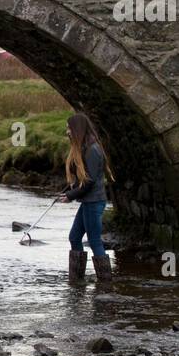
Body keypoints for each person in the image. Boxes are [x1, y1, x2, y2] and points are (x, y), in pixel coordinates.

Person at [60, 113, 114, 287]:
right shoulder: (85, 146)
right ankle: (76, 281)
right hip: (87, 201)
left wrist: (70, 196)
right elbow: (82, 179)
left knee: (94, 241)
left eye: (69, 127)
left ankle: (106, 283)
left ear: (76, 129)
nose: (67, 131)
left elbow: (89, 181)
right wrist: (68, 191)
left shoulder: (93, 150)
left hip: (94, 202)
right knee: (74, 237)